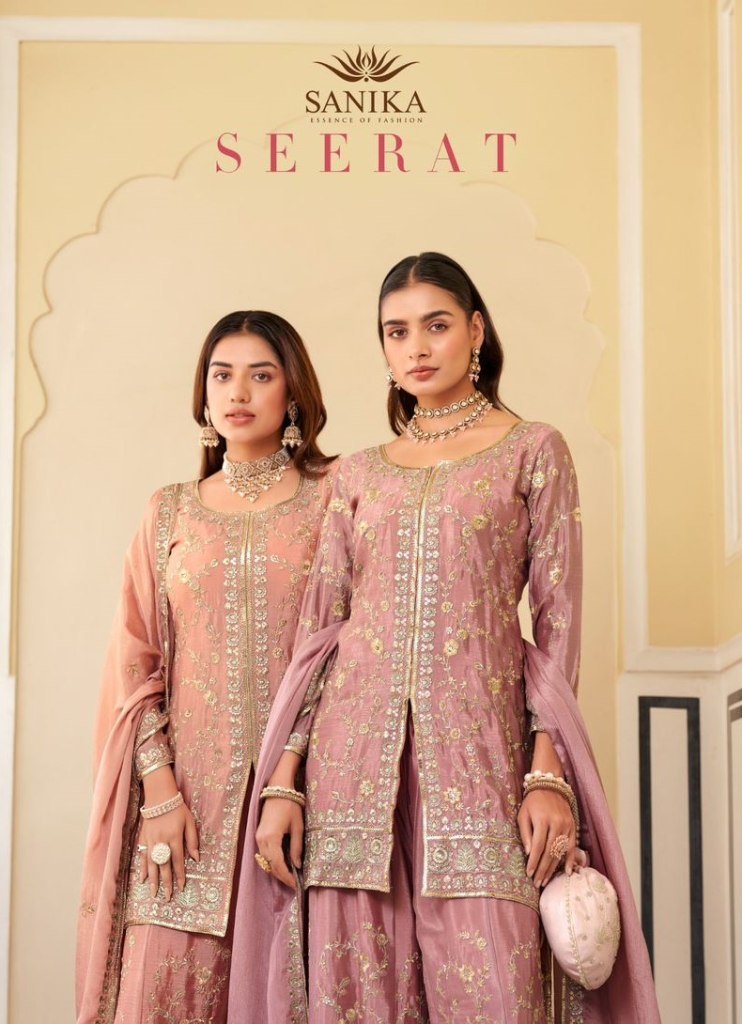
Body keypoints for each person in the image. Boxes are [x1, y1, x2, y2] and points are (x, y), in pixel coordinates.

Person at [229, 253, 661, 1023]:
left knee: (493, 986)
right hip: (351, 775)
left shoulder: (533, 450)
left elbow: (558, 623)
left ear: (476, 331)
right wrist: (284, 781)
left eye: (435, 325)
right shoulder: (358, 474)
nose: (417, 347)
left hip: (479, 760)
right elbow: (319, 637)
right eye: (397, 332)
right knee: (357, 996)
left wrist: (547, 772)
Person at [76, 310, 337, 1024]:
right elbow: (137, 666)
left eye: (261, 374)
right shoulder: (169, 513)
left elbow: (344, 651)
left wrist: (292, 774)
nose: (238, 392)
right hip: (186, 810)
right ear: (203, 393)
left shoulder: (334, 500)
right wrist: (160, 793)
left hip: (306, 800)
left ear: (294, 393)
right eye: (222, 375)